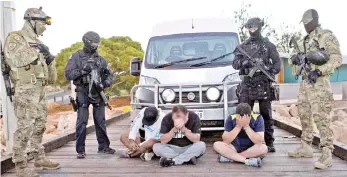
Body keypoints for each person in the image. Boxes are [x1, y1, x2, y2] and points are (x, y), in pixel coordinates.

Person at [3, 7, 60, 177]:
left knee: (39, 125)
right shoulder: (16, 38)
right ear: (32, 21)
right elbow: (15, 59)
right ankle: (20, 165)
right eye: (43, 23)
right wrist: (36, 51)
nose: (45, 27)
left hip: (40, 90)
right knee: (25, 127)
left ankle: (38, 157)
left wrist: (50, 58)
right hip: (25, 89)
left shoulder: (39, 43)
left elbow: (52, 79)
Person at [287, 9, 342, 169]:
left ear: (315, 21)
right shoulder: (304, 40)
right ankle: (305, 146)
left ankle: (326, 154)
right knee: (304, 114)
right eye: (303, 23)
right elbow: (293, 59)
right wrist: (294, 59)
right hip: (305, 83)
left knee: (321, 118)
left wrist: (319, 71)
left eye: (307, 23)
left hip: (319, 83)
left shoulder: (326, 36)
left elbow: (336, 58)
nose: (305, 26)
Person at [232, 17, 282, 153]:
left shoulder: (268, 45)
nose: (252, 30)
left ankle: (269, 142)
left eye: (254, 27)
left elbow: (278, 63)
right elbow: (235, 64)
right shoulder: (242, 47)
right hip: (247, 83)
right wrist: (244, 63)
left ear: (260, 27)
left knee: (266, 114)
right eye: (250, 28)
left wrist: (270, 70)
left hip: (263, 83)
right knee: (243, 113)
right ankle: (243, 142)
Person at [64, 31, 115, 159]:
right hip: (82, 92)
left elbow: (110, 75)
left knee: (100, 121)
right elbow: (68, 74)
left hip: (98, 93)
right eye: (93, 43)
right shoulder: (76, 57)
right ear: (86, 42)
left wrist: (105, 83)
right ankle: (80, 150)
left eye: (97, 43)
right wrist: (83, 70)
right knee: (82, 121)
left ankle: (103, 146)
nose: (95, 45)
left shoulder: (100, 59)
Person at [213, 103, 267, 168]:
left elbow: (259, 141)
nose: (242, 119)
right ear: (236, 115)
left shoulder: (258, 118)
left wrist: (246, 127)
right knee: (217, 145)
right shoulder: (231, 118)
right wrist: (238, 127)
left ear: (250, 116)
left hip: (251, 149)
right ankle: (246, 161)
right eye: (240, 117)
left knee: (263, 148)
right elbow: (226, 140)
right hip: (234, 147)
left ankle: (233, 158)